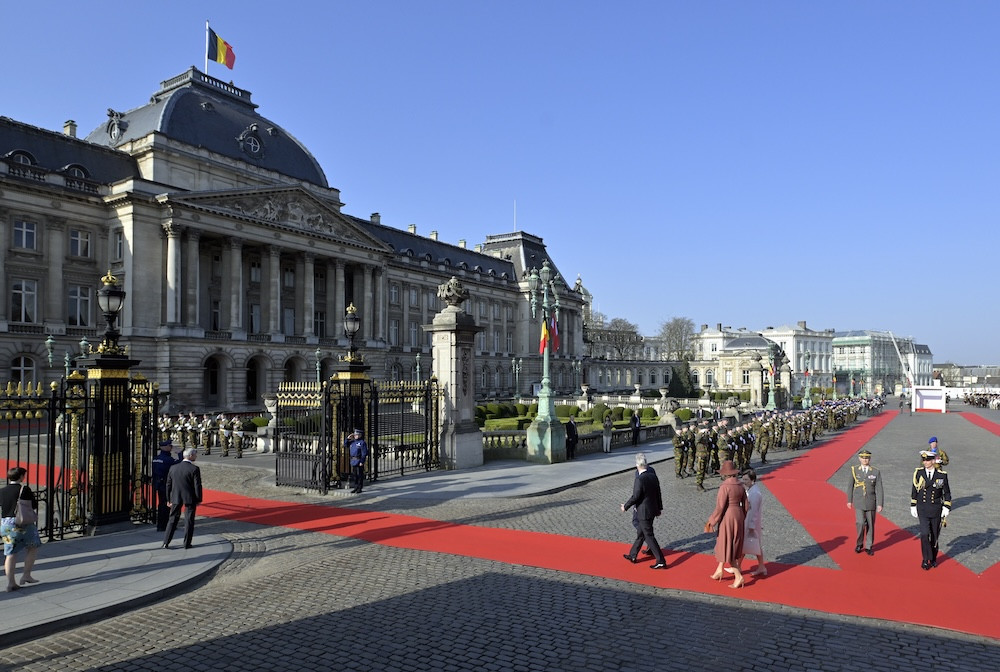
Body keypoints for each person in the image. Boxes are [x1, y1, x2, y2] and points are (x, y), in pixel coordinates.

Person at [620, 453, 667, 569]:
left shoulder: (639, 479)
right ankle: (633, 555)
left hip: (644, 512)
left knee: (649, 536)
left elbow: (635, 497)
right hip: (652, 510)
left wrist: (625, 506)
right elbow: (658, 493)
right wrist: (659, 508)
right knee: (641, 534)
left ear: (637, 465)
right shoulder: (653, 476)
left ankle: (661, 560)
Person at [706, 460, 747, 588]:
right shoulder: (740, 485)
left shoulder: (725, 486)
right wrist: (742, 516)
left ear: (725, 474)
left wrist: (712, 521)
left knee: (727, 545)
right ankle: (719, 570)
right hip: (738, 515)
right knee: (731, 543)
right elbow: (746, 505)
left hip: (728, 516)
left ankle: (739, 577)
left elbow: (720, 507)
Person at [0, 467, 40, 591]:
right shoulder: (24, 489)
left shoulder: (2, 490)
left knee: (10, 553)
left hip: (6, 524)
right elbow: (34, 505)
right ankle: (26, 575)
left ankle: (11, 583)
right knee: (32, 547)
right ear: (21, 476)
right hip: (22, 523)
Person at [911, 448, 952, 570]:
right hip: (923, 508)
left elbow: (947, 492)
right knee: (924, 534)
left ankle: (933, 558)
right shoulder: (918, 473)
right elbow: (914, 490)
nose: (925, 462)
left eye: (928, 460)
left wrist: (947, 506)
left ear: (933, 461)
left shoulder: (941, 475)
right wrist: (913, 505)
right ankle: (925, 559)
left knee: (934, 535)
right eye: (924, 460)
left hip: (936, 509)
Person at [162, 448, 203, 550]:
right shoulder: (194, 469)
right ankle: (187, 543)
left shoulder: (173, 467)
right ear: (190, 456)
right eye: (195, 455)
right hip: (189, 497)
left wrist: (168, 499)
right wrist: (198, 499)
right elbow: (197, 485)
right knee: (189, 520)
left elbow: (168, 484)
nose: (196, 457)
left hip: (176, 496)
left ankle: (166, 542)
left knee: (172, 519)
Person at [847, 448, 883, 555]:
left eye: (866, 458)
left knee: (870, 524)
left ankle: (869, 546)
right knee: (860, 523)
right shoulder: (854, 470)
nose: (864, 460)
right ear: (859, 458)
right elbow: (850, 486)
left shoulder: (875, 471)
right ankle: (859, 543)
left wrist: (880, 503)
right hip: (859, 501)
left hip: (871, 501)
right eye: (863, 458)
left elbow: (879, 488)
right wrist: (849, 500)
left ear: (869, 459)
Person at [739, 468, 766, 576]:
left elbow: (754, 511)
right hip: (748, 521)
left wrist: (751, 525)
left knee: (748, 545)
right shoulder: (751, 490)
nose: (744, 482)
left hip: (750, 523)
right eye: (743, 479)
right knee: (752, 545)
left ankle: (738, 566)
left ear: (752, 480)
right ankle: (760, 567)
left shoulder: (755, 493)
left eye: (746, 479)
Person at [152, 438, 179, 532]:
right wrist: (179, 453)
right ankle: (165, 524)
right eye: (169, 445)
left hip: (159, 484)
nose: (171, 447)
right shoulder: (168, 459)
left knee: (161, 504)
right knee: (166, 505)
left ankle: (161, 524)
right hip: (166, 484)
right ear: (164, 447)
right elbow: (180, 463)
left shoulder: (156, 458)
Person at [347, 429, 369, 494]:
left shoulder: (362, 442)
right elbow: (345, 444)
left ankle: (359, 488)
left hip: (359, 460)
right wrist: (348, 438)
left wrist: (362, 461)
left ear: (360, 435)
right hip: (353, 460)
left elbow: (364, 453)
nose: (355, 436)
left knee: (359, 475)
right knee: (355, 475)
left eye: (357, 435)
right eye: (355, 435)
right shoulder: (352, 442)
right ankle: (355, 487)